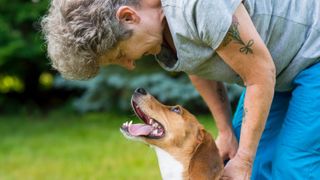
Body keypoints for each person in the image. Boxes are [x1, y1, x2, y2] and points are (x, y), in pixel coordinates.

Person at [41, 0, 320, 179]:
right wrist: (225, 132)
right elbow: (199, 66)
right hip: (281, 69)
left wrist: (244, 159)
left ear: (128, 16)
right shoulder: (161, 34)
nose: (128, 65)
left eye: (120, 54)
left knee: (293, 166)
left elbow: (259, 74)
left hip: (312, 55)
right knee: (253, 164)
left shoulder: (196, 5)